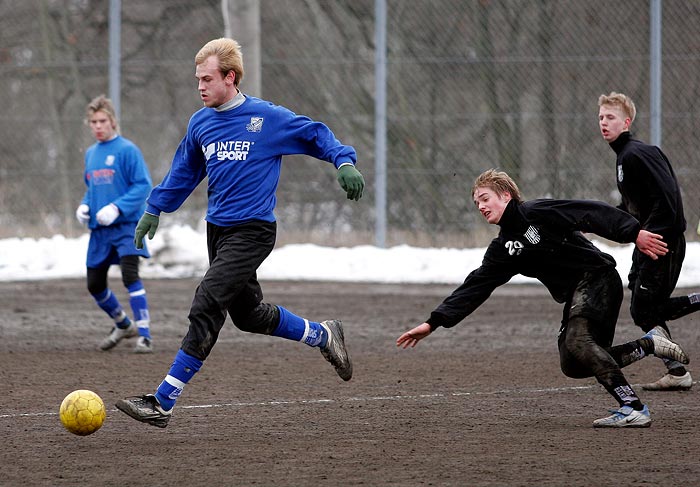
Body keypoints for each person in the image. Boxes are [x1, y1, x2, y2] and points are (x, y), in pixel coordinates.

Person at [115, 38, 365, 427]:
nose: (200, 86)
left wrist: (343, 161)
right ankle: (322, 334)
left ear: (230, 78)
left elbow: (315, 133)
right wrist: (154, 207)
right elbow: (184, 171)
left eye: (207, 79)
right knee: (247, 316)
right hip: (218, 232)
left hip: (254, 230)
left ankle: (162, 401)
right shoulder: (201, 123)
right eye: (197, 79)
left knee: (207, 301)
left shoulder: (266, 119)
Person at [396, 169, 689, 428]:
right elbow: (476, 286)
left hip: (597, 276)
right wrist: (434, 322)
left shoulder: (536, 212)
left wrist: (633, 232)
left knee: (578, 343)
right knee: (573, 363)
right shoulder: (502, 249)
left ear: (506, 195)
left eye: (485, 198)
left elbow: (590, 212)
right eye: (476, 203)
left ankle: (633, 407)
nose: (480, 206)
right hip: (579, 292)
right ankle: (650, 344)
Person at [599, 92, 700, 391]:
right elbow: (630, 209)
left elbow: (668, 199)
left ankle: (677, 371)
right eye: (601, 117)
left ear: (626, 122)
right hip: (649, 240)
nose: (604, 122)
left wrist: (652, 234)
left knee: (644, 310)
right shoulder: (623, 158)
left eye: (611, 117)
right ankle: (677, 372)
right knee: (645, 307)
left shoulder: (636, 154)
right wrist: (591, 220)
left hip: (660, 240)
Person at [77, 94, 154, 353]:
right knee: (94, 284)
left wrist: (116, 207)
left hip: (127, 227)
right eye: (93, 122)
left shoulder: (127, 150)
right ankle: (122, 324)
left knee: (130, 275)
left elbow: (143, 185)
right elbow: (92, 187)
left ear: (112, 121)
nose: (97, 126)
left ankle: (145, 335)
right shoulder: (90, 154)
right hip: (100, 230)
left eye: (102, 121)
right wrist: (85, 205)